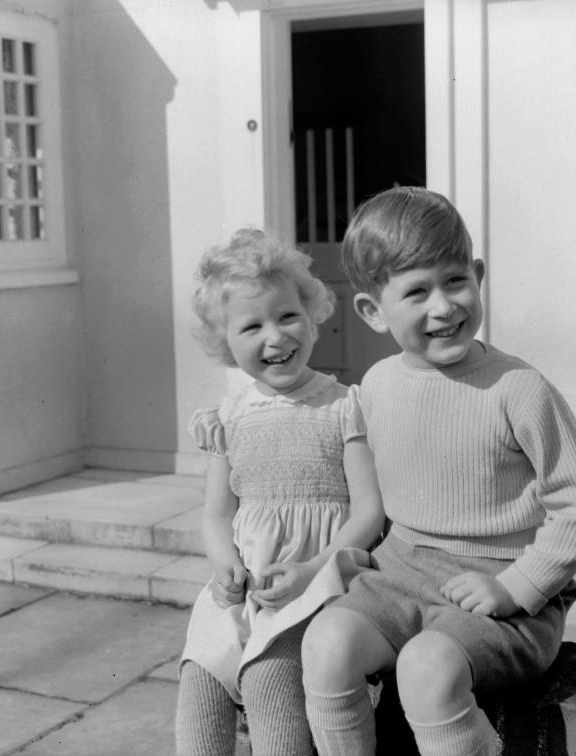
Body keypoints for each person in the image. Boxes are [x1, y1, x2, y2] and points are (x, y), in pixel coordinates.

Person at [300, 187, 576, 756]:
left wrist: (515, 587)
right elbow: (371, 495)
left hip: (504, 595)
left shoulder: (518, 389)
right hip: (401, 577)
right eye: (416, 291)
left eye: (454, 281)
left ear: (478, 274)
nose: (443, 307)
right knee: (326, 644)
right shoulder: (376, 387)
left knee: (426, 669)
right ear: (372, 310)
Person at [175, 228, 385, 756]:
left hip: (318, 584)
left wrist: (313, 570)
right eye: (252, 326)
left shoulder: (344, 406)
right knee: (199, 680)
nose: (276, 337)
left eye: (287, 316)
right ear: (226, 343)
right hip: (243, 585)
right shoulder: (228, 418)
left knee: (269, 681)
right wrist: (225, 567)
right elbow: (216, 516)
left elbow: (369, 513)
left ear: (311, 315)